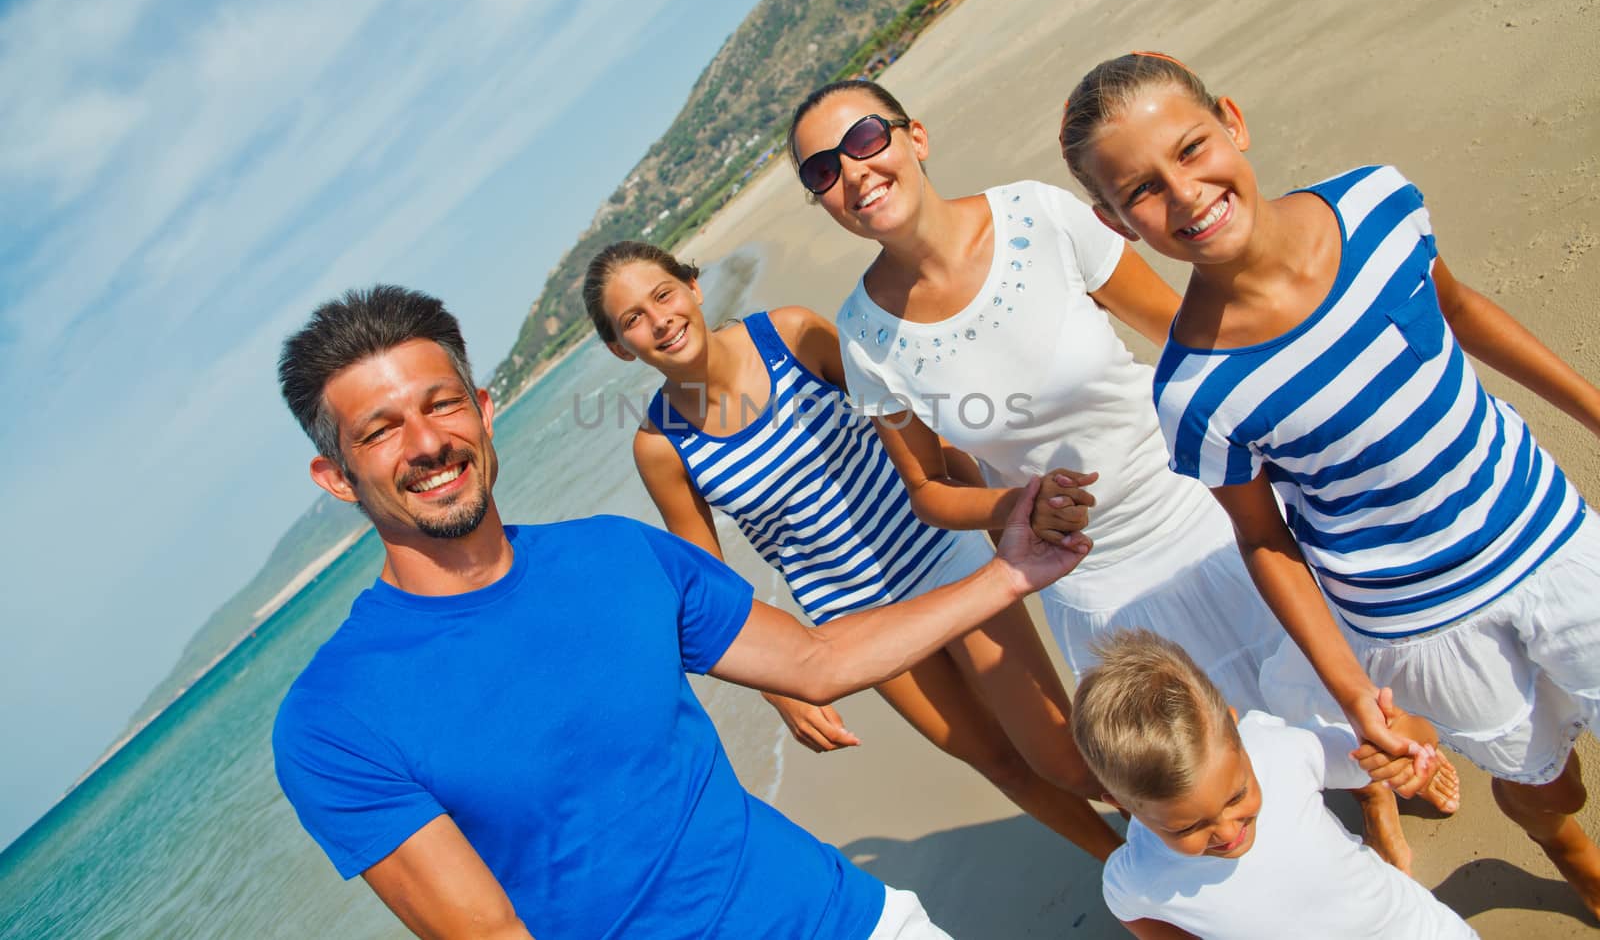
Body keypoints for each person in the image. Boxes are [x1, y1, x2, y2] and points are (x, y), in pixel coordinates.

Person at [270, 284, 1094, 940]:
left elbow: (816, 661)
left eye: (440, 404)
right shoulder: (333, 719)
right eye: (380, 430)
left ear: (484, 412)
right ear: (336, 475)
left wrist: (1011, 573)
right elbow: (487, 932)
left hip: (853, 919)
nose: (425, 443)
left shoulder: (616, 554)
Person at [785, 81, 1454, 868]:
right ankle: (1315, 852)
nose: (851, 172)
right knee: (1210, 751)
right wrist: (1012, 504)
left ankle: (1374, 797)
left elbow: (1184, 334)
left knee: (1328, 683)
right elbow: (929, 493)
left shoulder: (1038, 215)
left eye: (865, 139)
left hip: (1199, 501)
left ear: (914, 137)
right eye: (822, 170)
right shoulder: (864, 333)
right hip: (1093, 577)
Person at [1059, 50, 1600, 916]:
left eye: (1192, 149)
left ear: (1232, 121)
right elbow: (1264, 537)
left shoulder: (1380, 204)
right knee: (1545, 778)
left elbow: (1460, 314)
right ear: (1117, 221)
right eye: (1144, 191)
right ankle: (1571, 851)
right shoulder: (1196, 389)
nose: (1185, 192)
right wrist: (1353, 690)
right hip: (1419, 622)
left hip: (1544, 526)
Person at [583, 241, 1120, 862]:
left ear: (694, 288)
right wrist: (782, 689)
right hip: (853, 622)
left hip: (944, 558)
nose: (659, 320)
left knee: (1058, 752)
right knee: (999, 762)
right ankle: (1126, 879)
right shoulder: (660, 446)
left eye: (663, 295)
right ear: (621, 348)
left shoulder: (789, 336)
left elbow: (915, 428)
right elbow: (709, 584)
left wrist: (993, 513)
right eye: (633, 320)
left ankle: (1181, 828)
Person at [1072, 629, 1477, 939]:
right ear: (1124, 805)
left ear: (1237, 730)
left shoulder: (1278, 751)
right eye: (1188, 827)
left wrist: (1408, 747)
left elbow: (1387, 752)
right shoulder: (1140, 875)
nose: (1228, 831)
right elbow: (1127, 907)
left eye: (1236, 796)